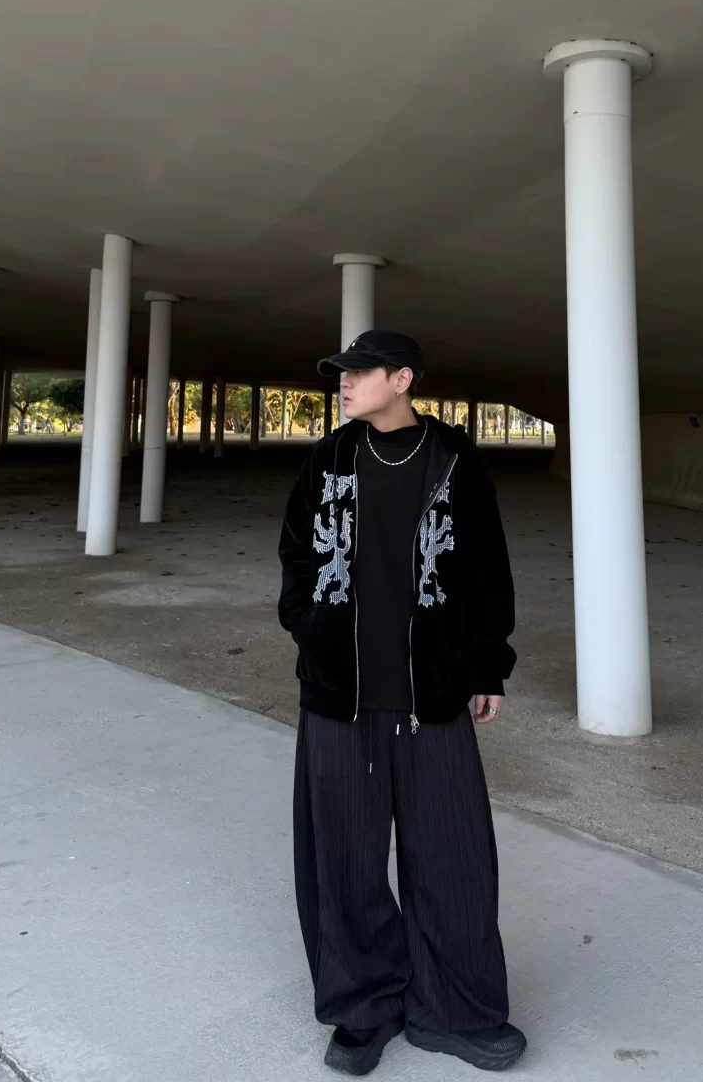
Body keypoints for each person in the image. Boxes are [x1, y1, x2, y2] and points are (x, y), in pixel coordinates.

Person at [278, 330, 526, 1075]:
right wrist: (311, 627)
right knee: (344, 864)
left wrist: (487, 666)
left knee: (454, 859)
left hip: (433, 695)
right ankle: (364, 1007)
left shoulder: (455, 462)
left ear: (402, 379)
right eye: (341, 373)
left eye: (360, 372)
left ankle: (457, 1010)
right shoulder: (328, 459)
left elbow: (486, 569)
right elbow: (297, 554)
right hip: (340, 697)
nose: (345, 383)